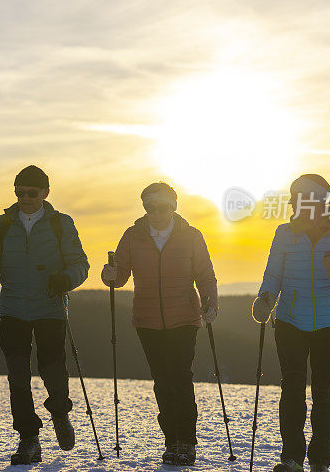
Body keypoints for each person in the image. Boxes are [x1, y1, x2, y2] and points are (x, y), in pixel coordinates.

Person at [0, 165, 90, 465]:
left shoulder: (61, 223)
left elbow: (80, 264)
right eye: (19, 192)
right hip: (12, 309)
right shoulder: (3, 224)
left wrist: (66, 278)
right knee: (18, 377)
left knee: (53, 371)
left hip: (49, 308)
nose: (24, 197)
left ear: (45, 193)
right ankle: (28, 438)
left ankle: (60, 413)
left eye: (31, 192)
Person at [251, 174, 330, 472]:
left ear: (317, 202)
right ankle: (291, 460)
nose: (295, 207)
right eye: (294, 202)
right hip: (290, 322)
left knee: (323, 394)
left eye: (300, 200)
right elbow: (273, 275)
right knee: (291, 390)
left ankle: (319, 462)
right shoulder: (284, 233)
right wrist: (266, 299)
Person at [101, 182, 218, 466]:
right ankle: (172, 442)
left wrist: (210, 303)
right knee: (162, 382)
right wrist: (109, 275)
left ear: (173, 206)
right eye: (149, 206)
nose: (155, 212)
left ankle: (186, 442)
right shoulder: (132, 236)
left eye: (161, 206)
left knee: (179, 377)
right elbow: (120, 278)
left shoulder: (191, 236)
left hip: (184, 318)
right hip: (148, 320)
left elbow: (205, 275)